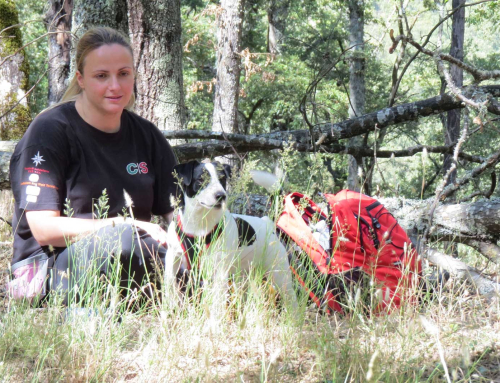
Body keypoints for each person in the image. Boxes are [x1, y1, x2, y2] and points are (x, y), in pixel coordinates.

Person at [8, 27, 178, 305]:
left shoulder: (147, 135)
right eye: (101, 76)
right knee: (121, 239)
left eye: (124, 74)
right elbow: (43, 229)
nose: (115, 86)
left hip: (133, 258)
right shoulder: (50, 131)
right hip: (52, 269)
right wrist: (126, 224)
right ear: (81, 79)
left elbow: (178, 216)